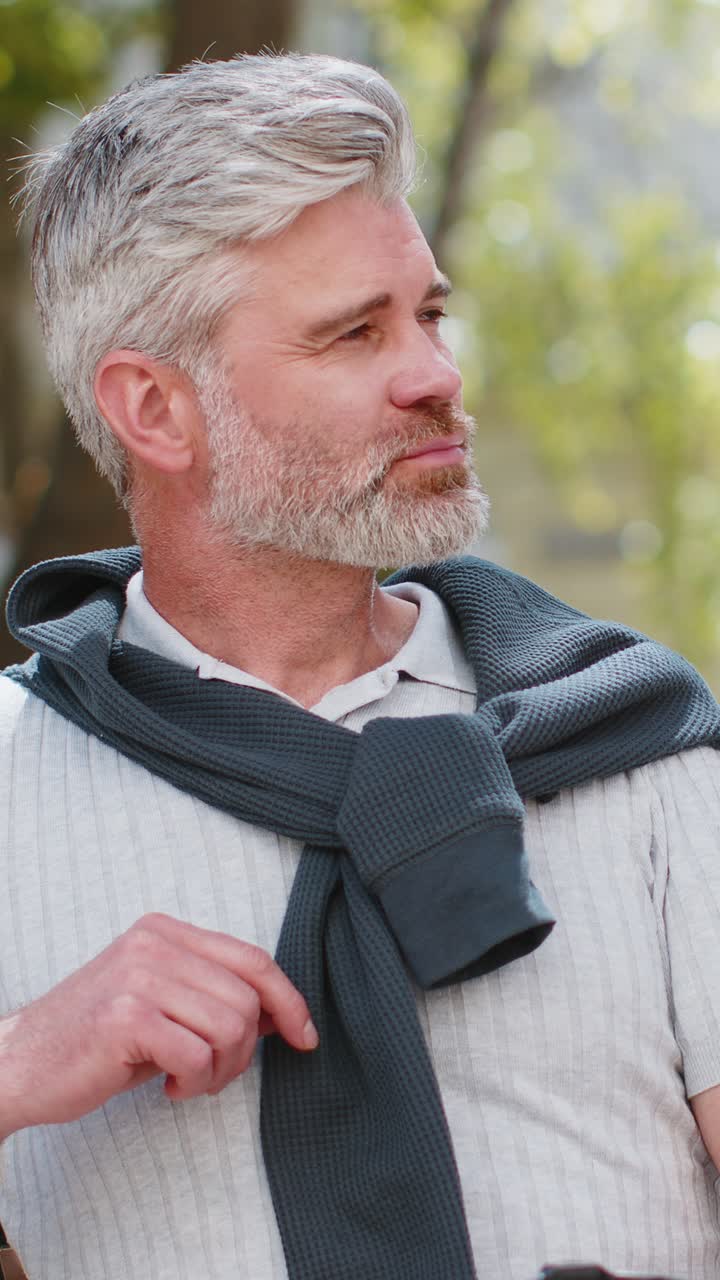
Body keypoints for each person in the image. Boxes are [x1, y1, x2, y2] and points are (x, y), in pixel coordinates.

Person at [1, 51, 720, 1280]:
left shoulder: (634, 739)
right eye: (353, 333)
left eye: (430, 313)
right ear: (156, 410)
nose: (436, 374)